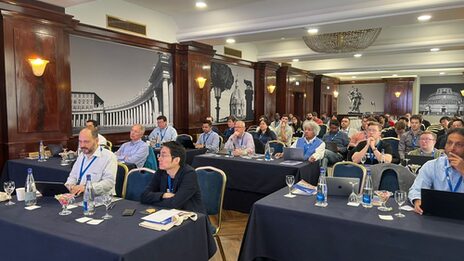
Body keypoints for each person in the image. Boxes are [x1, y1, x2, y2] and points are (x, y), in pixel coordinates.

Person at [408, 128, 464, 215]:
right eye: (449, 143)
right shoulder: (432, 165)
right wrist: (418, 200)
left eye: (459, 144)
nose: (452, 148)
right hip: (437, 214)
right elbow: (416, 189)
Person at [140, 141, 206, 214]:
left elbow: (175, 204)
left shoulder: (189, 174)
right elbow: (144, 196)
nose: (159, 159)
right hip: (166, 213)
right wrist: (163, 195)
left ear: (176, 160)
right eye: (159, 155)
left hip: (191, 217)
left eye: (163, 156)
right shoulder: (161, 171)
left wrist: (152, 200)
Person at [65, 128, 117, 196]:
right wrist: (71, 186)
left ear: (96, 141)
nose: (82, 145)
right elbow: (72, 176)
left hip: (101, 199)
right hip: (80, 196)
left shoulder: (109, 156)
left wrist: (86, 188)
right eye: (80, 141)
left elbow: (108, 183)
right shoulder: (81, 155)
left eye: (86, 142)